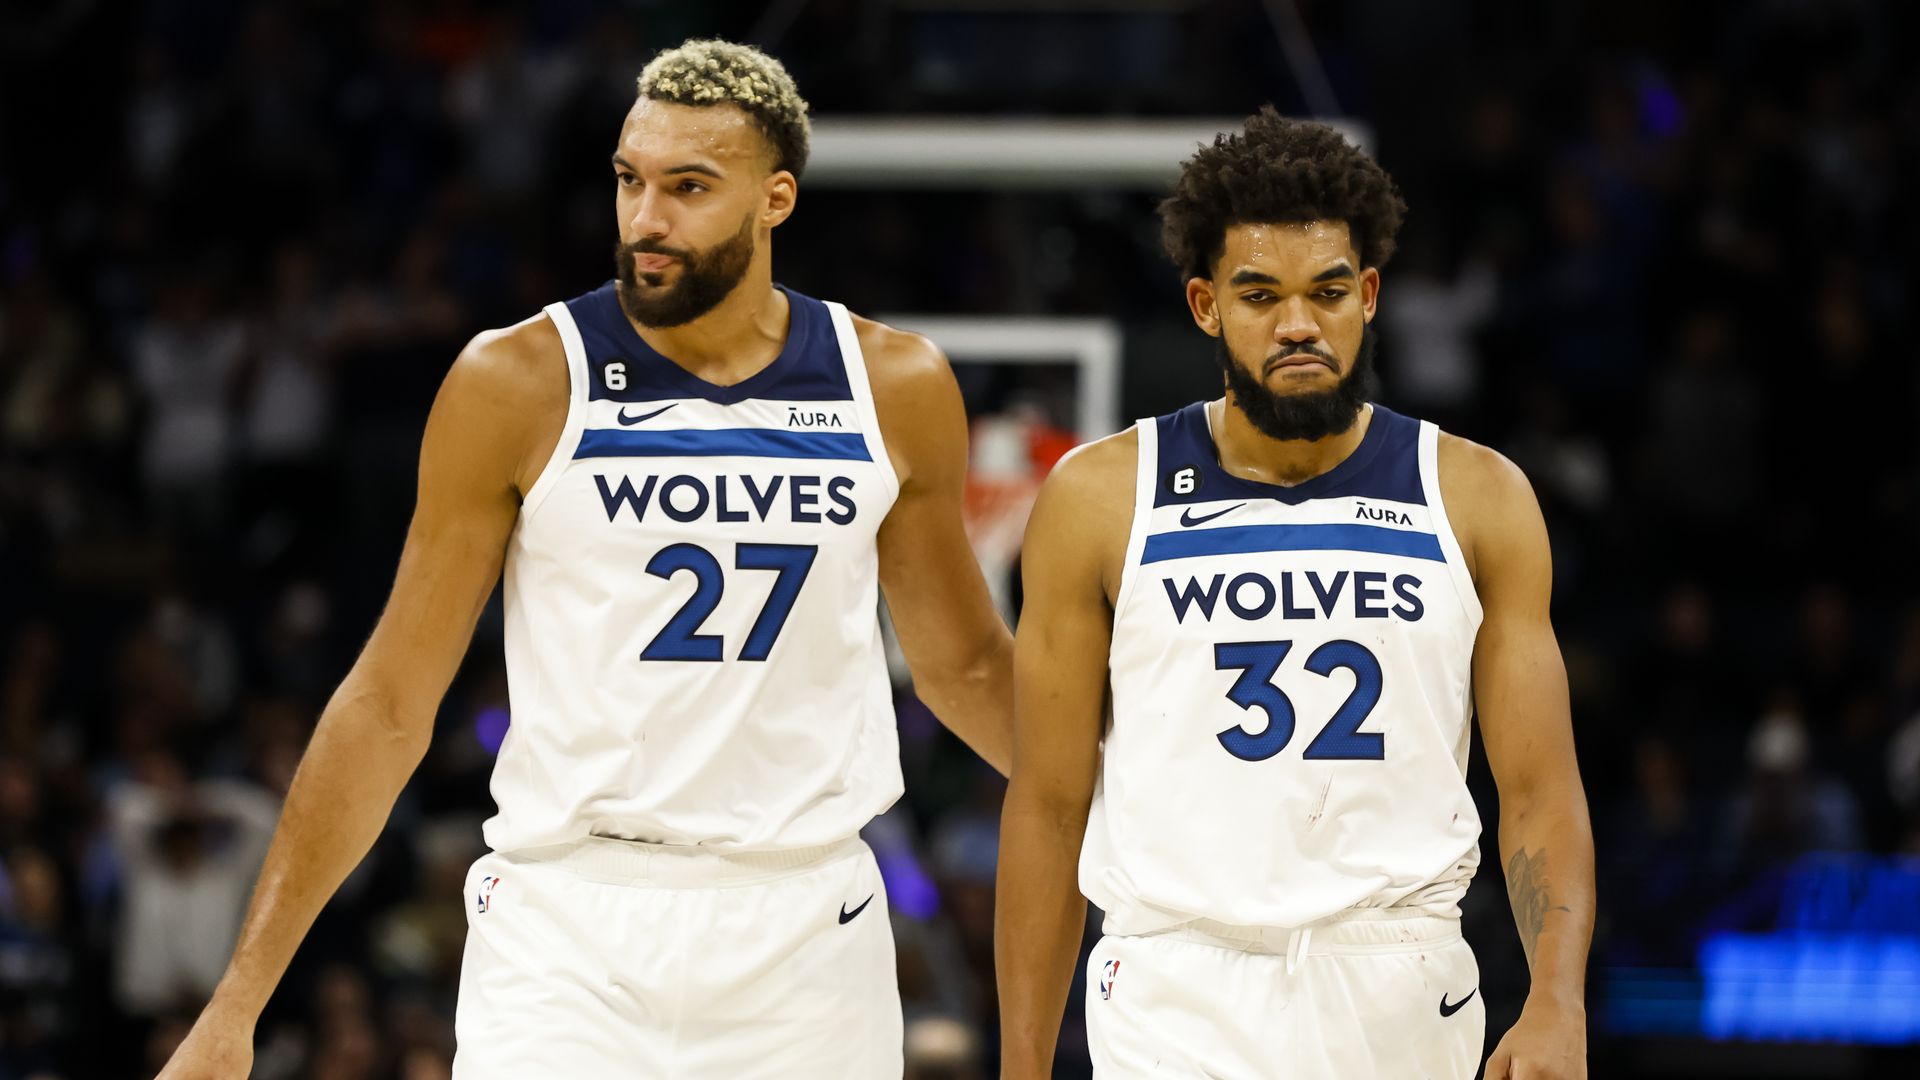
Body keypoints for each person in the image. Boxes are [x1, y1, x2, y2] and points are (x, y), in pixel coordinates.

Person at [159, 39, 1012, 1079]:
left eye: (688, 188)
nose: (646, 220)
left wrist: (1156, 808)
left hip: (808, 932)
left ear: (776, 197)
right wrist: (237, 1002)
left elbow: (967, 668)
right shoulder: (516, 380)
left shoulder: (894, 385)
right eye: (630, 181)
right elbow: (388, 702)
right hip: (568, 925)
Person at [995, 108, 1594, 1079]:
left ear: (1368, 294)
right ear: (1205, 304)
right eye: (1260, 295)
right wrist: (1020, 1063)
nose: (1298, 324)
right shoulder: (1099, 497)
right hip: (1174, 981)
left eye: (1325, 292)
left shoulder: (1477, 494)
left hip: (1398, 977)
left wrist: (1557, 1000)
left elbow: (1539, 790)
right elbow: (1049, 805)